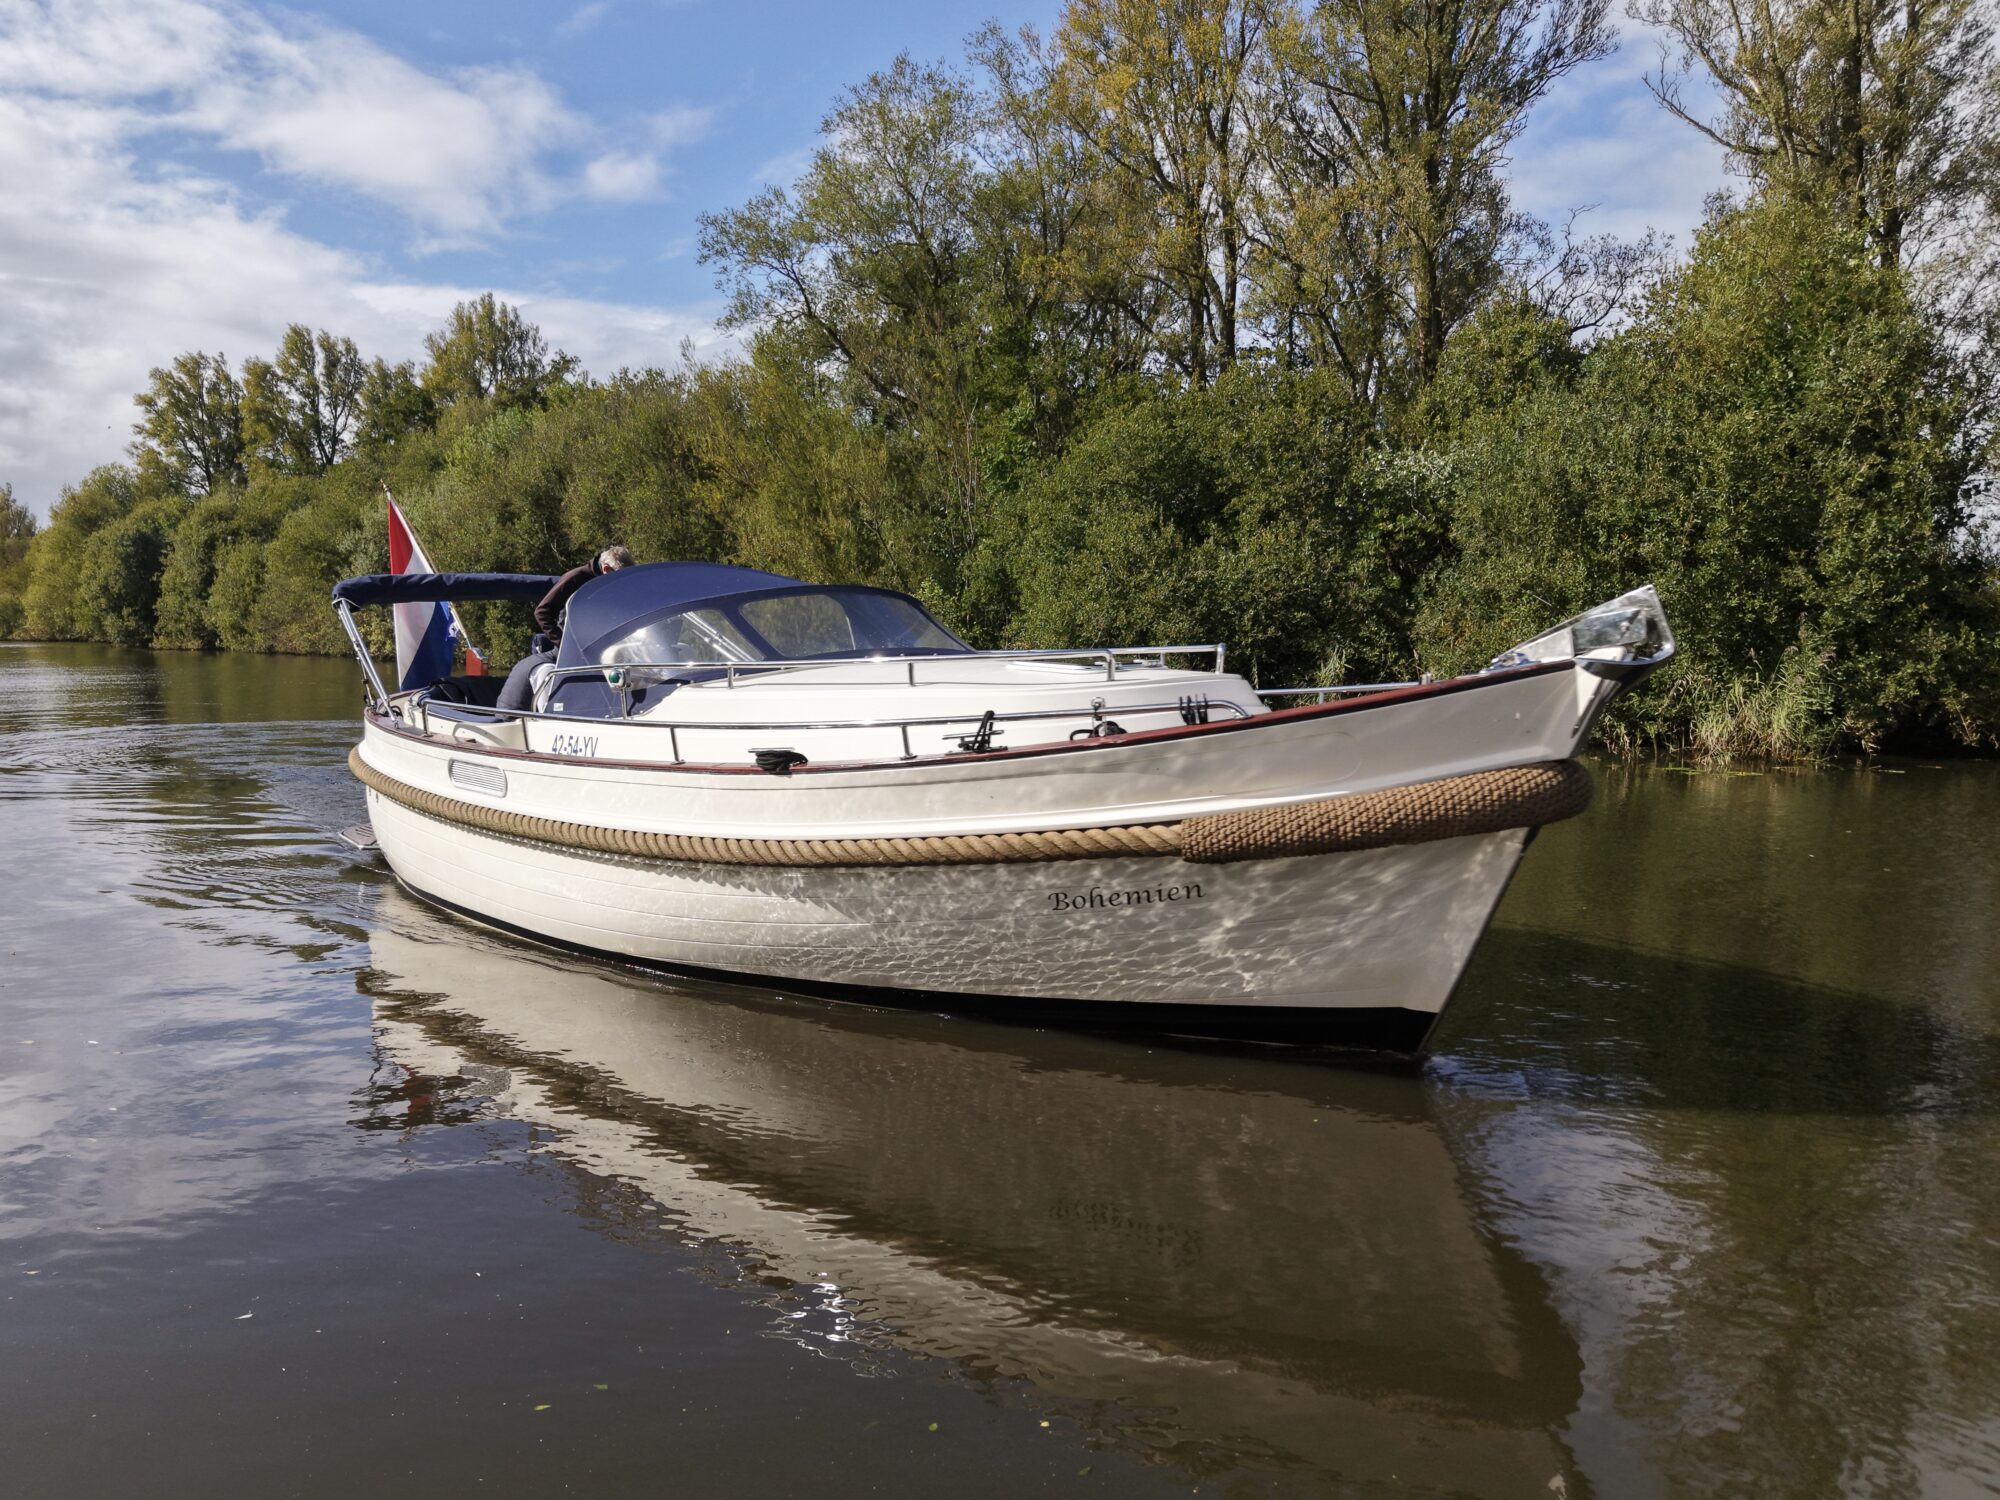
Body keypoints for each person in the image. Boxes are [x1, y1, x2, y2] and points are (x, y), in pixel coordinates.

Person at [495, 546, 633, 713]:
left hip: (593, 653)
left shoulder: (608, 586)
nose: (621, 585)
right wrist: (565, 645)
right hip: (569, 652)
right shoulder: (575, 579)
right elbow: (542, 611)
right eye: (619, 578)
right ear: (605, 569)